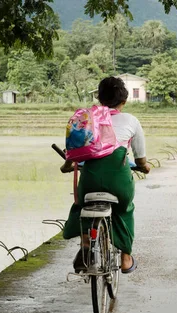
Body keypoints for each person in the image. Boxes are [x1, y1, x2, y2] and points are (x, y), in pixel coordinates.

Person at [60, 76, 150, 274]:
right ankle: (126, 258)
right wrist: (144, 167)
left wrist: (67, 165)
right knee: (125, 209)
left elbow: (73, 150)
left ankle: (85, 245)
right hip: (119, 182)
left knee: (80, 206)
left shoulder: (86, 119)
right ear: (123, 101)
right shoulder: (131, 121)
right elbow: (140, 158)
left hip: (90, 181)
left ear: (99, 99)